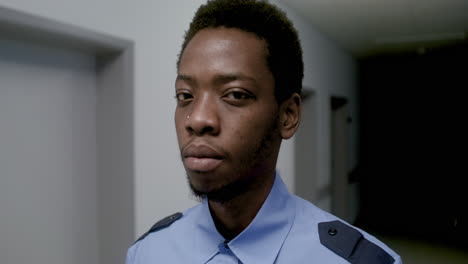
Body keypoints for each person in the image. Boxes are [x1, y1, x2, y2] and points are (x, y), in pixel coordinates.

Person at [126, 0, 402, 263]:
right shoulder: (148, 252)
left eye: (235, 94)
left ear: (288, 116)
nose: (197, 119)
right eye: (185, 95)